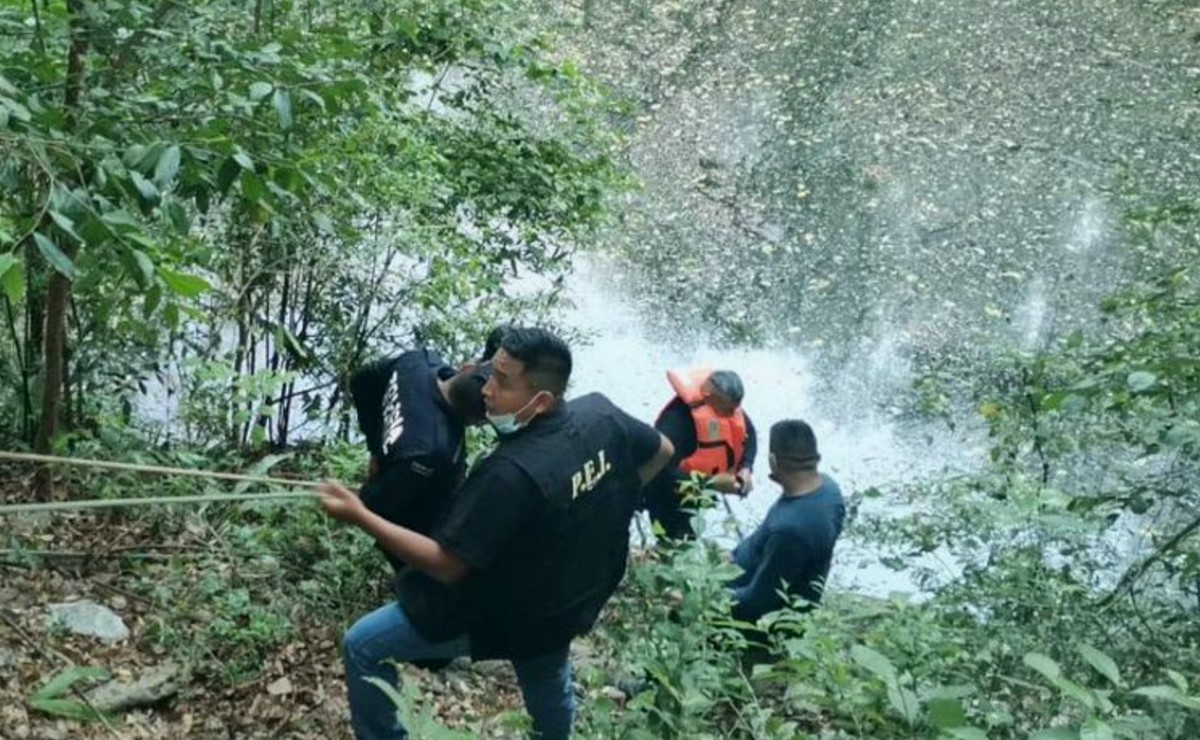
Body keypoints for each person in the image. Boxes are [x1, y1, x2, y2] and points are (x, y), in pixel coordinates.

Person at [319, 327, 675, 740]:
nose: (486, 389)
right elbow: (662, 450)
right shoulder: (601, 415)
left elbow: (447, 565)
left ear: (541, 400)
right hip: (568, 597)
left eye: (503, 382)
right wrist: (606, 511)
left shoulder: (509, 473)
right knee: (545, 664)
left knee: (363, 644)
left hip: (502, 608)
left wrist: (361, 514)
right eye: (491, 374)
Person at [347, 335, 498, 571]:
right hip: (417, 540)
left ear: (466, 367)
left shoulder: (417, 361)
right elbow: (377, 504)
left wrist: (377, 449)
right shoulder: (433, 452)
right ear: (477, 421)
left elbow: (362, 380)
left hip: (399, 467)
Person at [728, 419, 845, 624]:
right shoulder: (827, 487)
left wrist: (704, 597)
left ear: (773, 461)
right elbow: (764, 535)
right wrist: (731, 556)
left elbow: (757, 603)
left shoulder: (791, 532)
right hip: (742, 573)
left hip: (759, 621)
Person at [643, 368, 758, 540]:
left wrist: (746, 468)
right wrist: (710, 484)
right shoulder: (676, 422)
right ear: (708, 395)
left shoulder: (729, 409)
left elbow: (749, 435)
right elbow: (661, 473)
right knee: (678, 543)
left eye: (734, 410)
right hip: (667, 494)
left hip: (700, 489)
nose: (731, 415)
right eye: (726, 409)